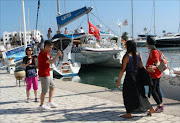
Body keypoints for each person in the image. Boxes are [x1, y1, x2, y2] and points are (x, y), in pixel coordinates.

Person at [116, 40, 154, 118]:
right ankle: (150, 108)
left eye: (125, 45)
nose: (124, 46)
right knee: (140, 94)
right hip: (138, 76)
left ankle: (128, 113)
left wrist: (118, 81)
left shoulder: (127, 56)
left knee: (127, 95)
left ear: (128, 46)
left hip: (130, 77)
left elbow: (122, 70)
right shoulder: (139, 55)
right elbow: (141, 67)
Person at [38, 40, 62, 110]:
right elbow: (50, 61)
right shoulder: (42, 54)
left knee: (52, 87)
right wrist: (57, 56)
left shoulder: (47, 53)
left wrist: (57, 56)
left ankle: (50, 102)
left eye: (51, 48)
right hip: (44, 74)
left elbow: (51, 59)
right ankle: (41, 105)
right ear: (45, 46)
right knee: (44, 91)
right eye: (49, 47)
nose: (50, 49)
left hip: (48, 73)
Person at [146, 37, 164, 112]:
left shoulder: (154, 52)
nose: (146, 44)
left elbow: (157, 62)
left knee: (153, 91)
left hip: (154, 74)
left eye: (146, 43)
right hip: (157, 73)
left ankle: (159, 106)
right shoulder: (157, 51)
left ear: (149, 44)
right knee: (157, 89)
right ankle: (161, 105)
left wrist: (154, 66)